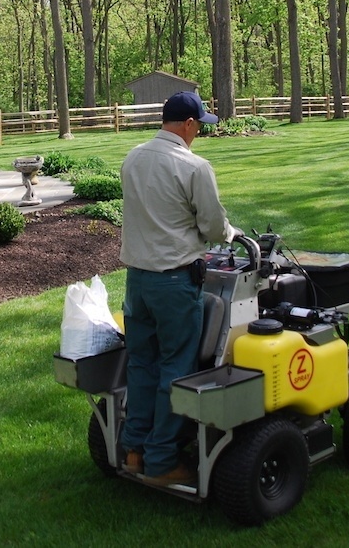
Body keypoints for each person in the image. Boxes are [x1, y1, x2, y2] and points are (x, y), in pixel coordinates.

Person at [119, 90, 237, 487]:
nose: (200, 133)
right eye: (200, 126)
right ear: (187, 124)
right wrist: (231, 232)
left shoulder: (133, 157)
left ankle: (133, 449)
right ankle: (162, 460)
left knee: (141, 363)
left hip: (137, 280)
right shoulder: (194, 167)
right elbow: (213, 227)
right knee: (175, 365)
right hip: (174, 281)